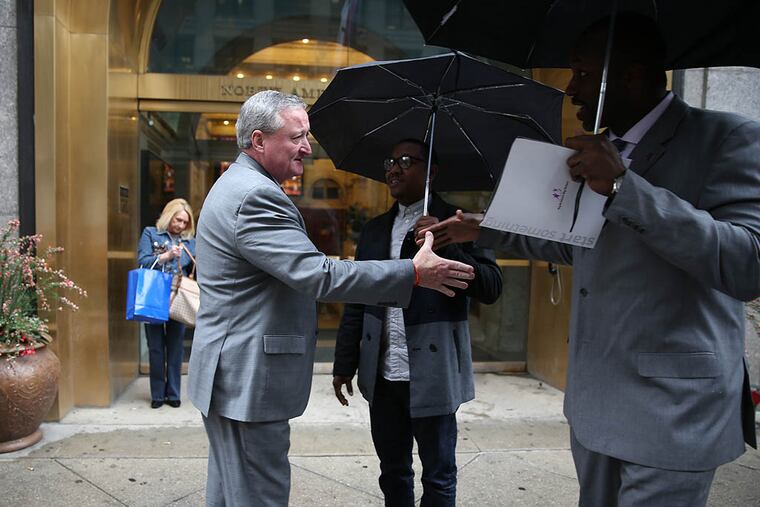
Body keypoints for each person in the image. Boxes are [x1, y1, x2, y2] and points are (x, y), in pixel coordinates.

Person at [421, 13, 760, 507]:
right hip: (595, 402)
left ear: (632, 76)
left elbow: (747, 264)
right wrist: (483, 226)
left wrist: (624, 186)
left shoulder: (726, 138)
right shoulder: (600, 150)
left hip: (673, 409)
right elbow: (577, 243)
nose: (572, 89)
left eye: (582, 73)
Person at [187, 90, 476, 507]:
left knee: (231, 492)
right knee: (256, 496)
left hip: (231, 373)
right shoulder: (256, 195)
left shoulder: (236, 184)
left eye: (308, 135)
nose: (308, 147)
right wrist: (413, 271)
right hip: (246, 378)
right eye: (297, 136)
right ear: (258, 141)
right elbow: (318, 275)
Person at [332, 139, 503, 506]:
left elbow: (492, 287)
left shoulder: (460, 223)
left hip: (433, 370)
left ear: (432, 172)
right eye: (390, 161)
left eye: (405, 161)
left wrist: (447, 243)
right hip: (383, 372)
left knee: (439, 476)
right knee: (393, 471)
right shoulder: (376, 230)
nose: (393, 168)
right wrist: (344, 363)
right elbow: (357, 299)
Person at [137, 198, 197, 409]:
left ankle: (173, 393)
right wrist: (167, 255)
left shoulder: (190, 242)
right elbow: (142, 261)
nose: (180, 225)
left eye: (184, 223)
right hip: (154, 294)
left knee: (175, 347)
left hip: (179, 296)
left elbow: (194, 268)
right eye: (178, 220)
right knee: (155, 347)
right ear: (169, 215)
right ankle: (157, 395)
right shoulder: (151, 233)